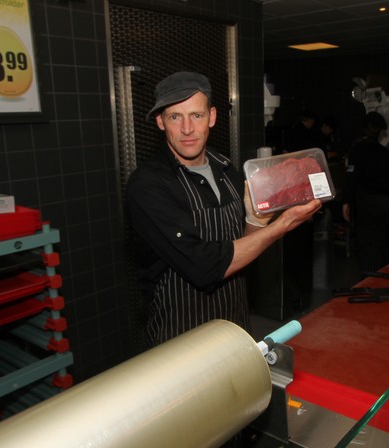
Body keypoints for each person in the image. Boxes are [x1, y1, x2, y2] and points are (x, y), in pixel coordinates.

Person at [126, 71, 321, 347]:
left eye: (196, 115)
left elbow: (242, 248)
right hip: (180, 336)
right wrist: (282, 225)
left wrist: (256, 221)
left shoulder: (226, 169)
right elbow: (204, 267)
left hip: (235, 326)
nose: (187, 129)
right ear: (160, 121)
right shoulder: (148, 185)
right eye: (175, 117)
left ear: (212, 117)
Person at [342, 111, 389, 275]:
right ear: (380, 132)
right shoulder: (385, 153)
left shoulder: (358, 151)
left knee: (366, 243)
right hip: (387, 202)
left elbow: (352, 177)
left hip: (369, 201)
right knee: (381, 240)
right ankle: (382, 276)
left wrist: (346, 201)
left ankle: (370, 279)